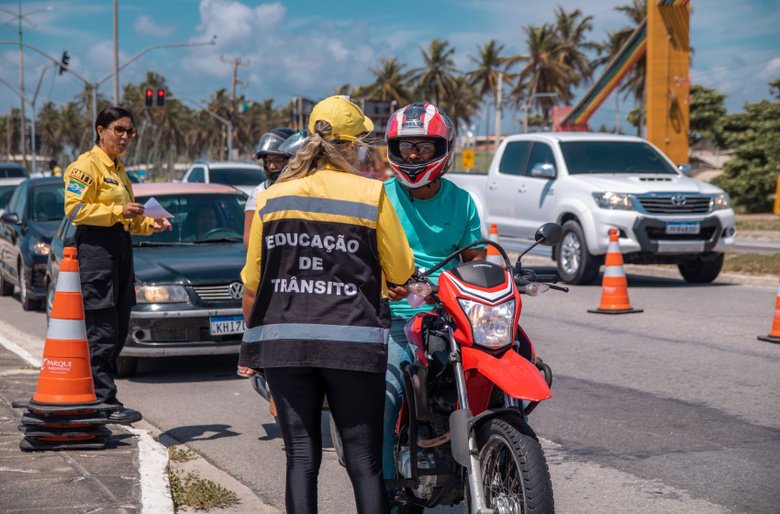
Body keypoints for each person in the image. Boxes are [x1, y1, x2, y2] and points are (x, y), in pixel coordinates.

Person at [238, 95, 415, 514]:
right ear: (351, 146)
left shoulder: (271, 198)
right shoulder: (370, 193)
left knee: (300, 458)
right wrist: (386, 282)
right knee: (364, 462)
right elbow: (402, 268)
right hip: (352, 343)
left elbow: (253, 280)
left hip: (285, 344)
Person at [381, 102, 486, 490]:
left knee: (507, 363)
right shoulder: (379, 198)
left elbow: (477, 261)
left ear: (443, 149)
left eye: (424, 146)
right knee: (386, 397)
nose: (413, 155)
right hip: (397, 316)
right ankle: (385, 491)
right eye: (405, 146)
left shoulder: (463, 201)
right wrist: (383, 282)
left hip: (451, 314)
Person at [63, 106, 172, 424]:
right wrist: (116, 212)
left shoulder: (120, 170)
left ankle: (103, 396)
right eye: (119, 130)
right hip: (96, 251)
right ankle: (102, 399)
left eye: (130, 131)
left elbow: (129, 218)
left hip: (121, 250)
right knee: (103, 330)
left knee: (120, 326)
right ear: (101, 130)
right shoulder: (86, 166)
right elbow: (75, 210)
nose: (125, 137)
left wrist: (151, 224)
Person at [243, 127, 296, 248]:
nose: (271, 166)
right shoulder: (259, 192)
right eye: (268, 161)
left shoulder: (303, 189)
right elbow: (249, 241)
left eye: (277, 160)